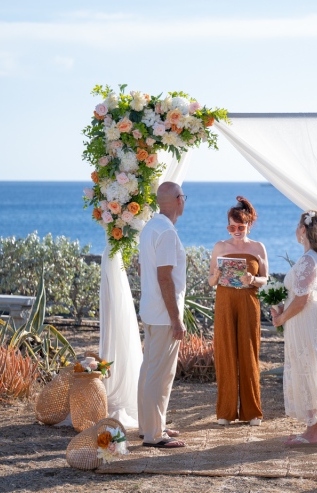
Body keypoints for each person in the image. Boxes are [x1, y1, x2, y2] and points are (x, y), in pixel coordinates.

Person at [271, 210, 317, 445]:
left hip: (305, 319)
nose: (295, 229)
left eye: (297, 225)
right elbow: (299, 295)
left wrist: (281, 319)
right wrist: (281, 306)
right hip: (311, 316)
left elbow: (301, 300)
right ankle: (311, 429)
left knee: (307, 366)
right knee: (310, 365)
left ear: (303, 230)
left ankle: (312, 433)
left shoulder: (309, 259)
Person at [208, 196, 269, 426]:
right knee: (225, 353)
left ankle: (252, 412)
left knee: (248, 353)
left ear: (248, 225)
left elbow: (266, 278)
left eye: (240, 227)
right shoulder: (220, 247)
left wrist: (254, 279)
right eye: (231, 227)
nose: (236, 231)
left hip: (248, 302)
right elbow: (211, 280)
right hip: (224, 302)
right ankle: (225, 412)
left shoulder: (258, 247)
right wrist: (215, 276)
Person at [137, 181, 188, 448]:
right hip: (163, 315)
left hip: (150, 310)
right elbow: (165, 277)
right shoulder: (167, 232)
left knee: (149, 370)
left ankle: (149, 425)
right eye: (184, 197)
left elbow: (141, 267)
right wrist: (176, 318)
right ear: (179, 200)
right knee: (159, 374)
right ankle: (154, 435)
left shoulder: (150, 228)